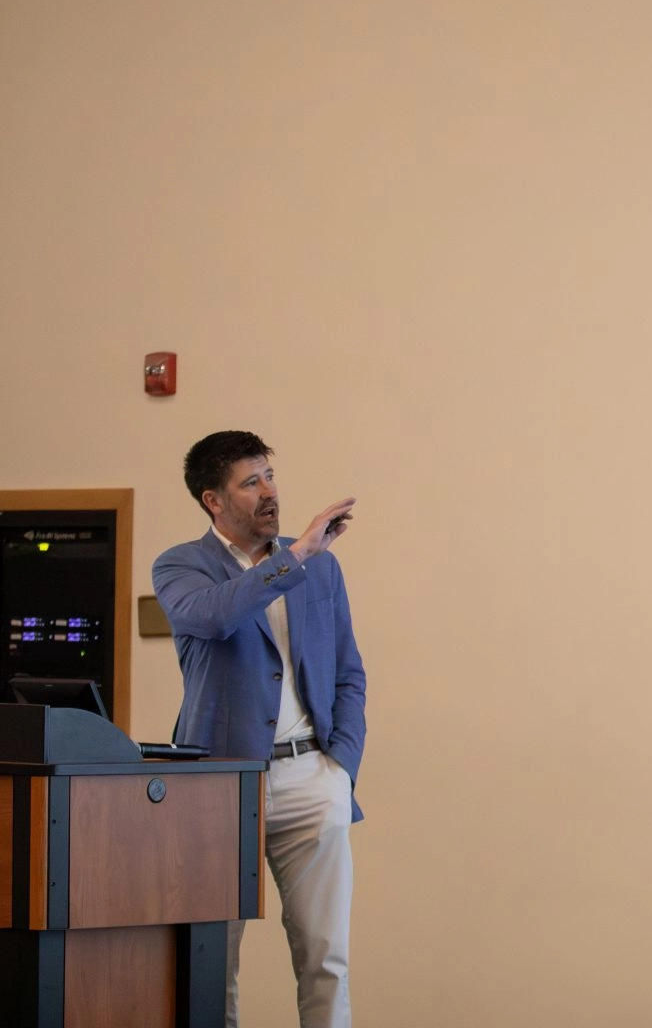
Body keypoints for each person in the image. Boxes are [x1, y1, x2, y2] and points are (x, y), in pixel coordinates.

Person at [153, 430, 366, 1028]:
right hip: (220, 784)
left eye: (270, 475)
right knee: (213, 962)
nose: (270, 491)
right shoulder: (180, 566)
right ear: (213, 501)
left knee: (327, 959)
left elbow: (348, 669)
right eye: (251, 482)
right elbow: (217, 617)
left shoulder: (321, 569)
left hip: (310, 780)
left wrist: (340, 767)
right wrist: (294, 556)